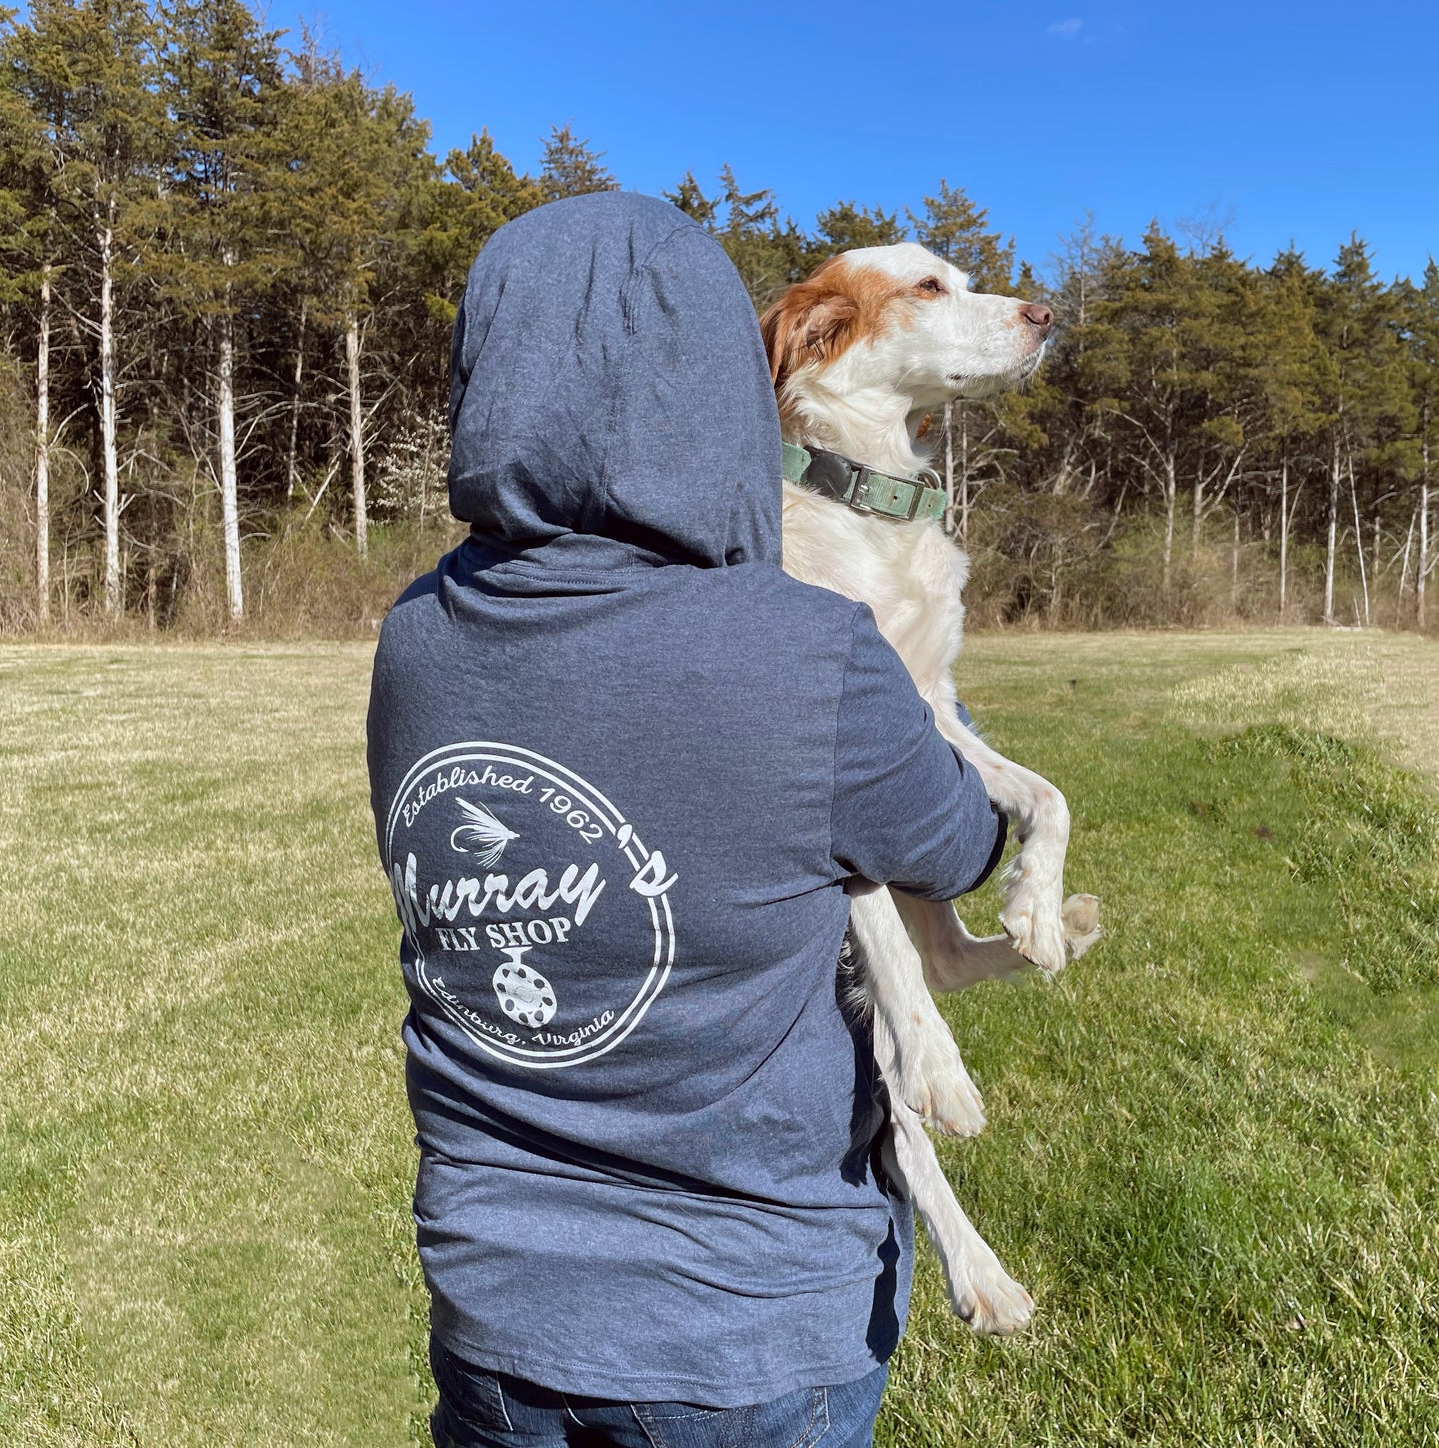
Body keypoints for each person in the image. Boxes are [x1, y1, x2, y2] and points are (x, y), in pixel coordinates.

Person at [366, 192, 1006, 1448]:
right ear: (714, 393)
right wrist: (928, 682)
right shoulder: (801, 645)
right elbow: (956, 846)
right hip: (748, 1331)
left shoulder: (415, 636)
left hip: (494, 1313)